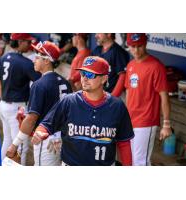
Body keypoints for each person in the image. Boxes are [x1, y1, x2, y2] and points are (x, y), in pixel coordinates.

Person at [31, 56, 134, 166]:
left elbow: (124, 143)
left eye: (90, 75)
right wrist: (40, 132)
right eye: (82, 74)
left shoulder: (117, 106)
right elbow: (46, 125)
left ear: (104, 79)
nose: (84, 78)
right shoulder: (69, 101)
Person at [6, 41, 72, 166]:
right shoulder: (65, 82)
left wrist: (15, 144)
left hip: (45, 138)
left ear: (47, 61)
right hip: (64, 139)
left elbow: (31, 119)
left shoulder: (39, 84)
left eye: (37, 57)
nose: (33, 60)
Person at [125, 33, 172, 166]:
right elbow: (129, 92)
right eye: (132, 46)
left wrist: (166, 124)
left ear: (145, 44)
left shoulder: (156, 66)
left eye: (139, 46)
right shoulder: (130, 65)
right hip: (131, 120)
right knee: (132, 160)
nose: (136, 50)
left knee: (140, 162)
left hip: (146, 120)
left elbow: (164, 97)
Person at [0, 33, 41, 165]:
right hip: (17, 108)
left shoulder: (3, 57)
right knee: (20, 145)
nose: (29, 45)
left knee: (7, 139)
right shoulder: (25, 62)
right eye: (27, 42)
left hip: (3, 104)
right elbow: (41, 80)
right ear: (20, 41)